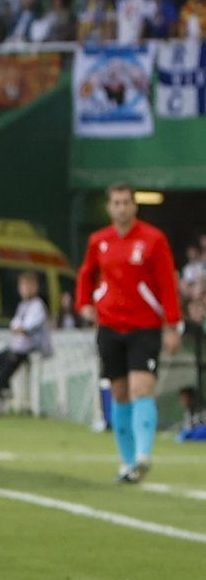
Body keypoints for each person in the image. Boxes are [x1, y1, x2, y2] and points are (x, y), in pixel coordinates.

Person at [75, 182, 183, 482]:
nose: (122, 208)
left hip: (144, 326)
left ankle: (143, 454)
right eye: (116, 203)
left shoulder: (153, 239)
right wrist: (84, 303)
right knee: (120, 393)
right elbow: (86, 274)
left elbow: (166, 284)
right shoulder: (99, 241)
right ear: (109, 208)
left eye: (126, 202)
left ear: (134, 206)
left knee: (141, 388)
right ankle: (127, 463)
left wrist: (172, 326)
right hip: (110, 326)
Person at [0, 272, 51, 414]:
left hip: (31, 348)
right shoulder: (23, 305)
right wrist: (19, 328)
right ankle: (5, 390)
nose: (23, 289)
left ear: (34, 287)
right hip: (19, 346)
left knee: (4, 374)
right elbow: (14, 325)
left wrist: (20, 329)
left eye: (26, 286)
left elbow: (27, 328)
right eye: (22, 286)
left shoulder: (37, 306)